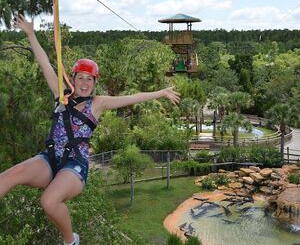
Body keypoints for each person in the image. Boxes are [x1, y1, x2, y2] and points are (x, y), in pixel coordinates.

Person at [0, 15, 180, 245]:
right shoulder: (61, 96)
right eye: (80, 78)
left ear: (95, 82)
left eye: (90, 79)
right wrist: (31, 35)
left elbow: (132, 97)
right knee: (8, 176)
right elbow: (45, 63)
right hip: (50, 158)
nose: (85, 83)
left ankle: (70, 241)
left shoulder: (98, 103)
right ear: (72, 79)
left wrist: (160, 93)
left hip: (75, 166)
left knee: (49, 201)